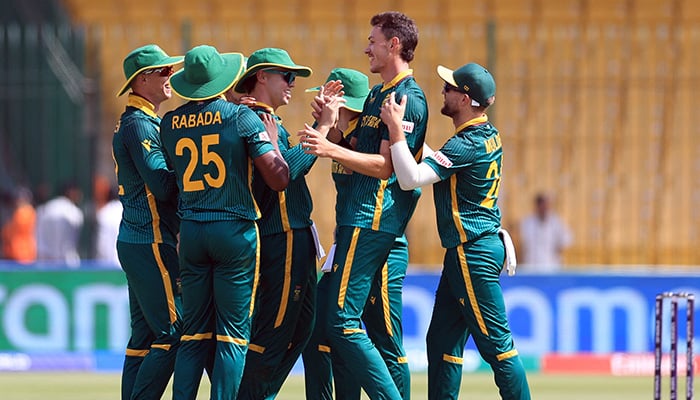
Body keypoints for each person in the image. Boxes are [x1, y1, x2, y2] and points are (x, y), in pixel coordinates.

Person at [380, 62, 531, 399]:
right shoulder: (485, 135)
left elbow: (410, 179)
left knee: (498, 348)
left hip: (472, 252)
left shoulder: (467, 144)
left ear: (465, 99)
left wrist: (395, 133)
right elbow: (442, 164)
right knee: (442, 341)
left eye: (449, 88)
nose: (443, 91)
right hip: (470, 248)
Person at [299, 11, 428, 399]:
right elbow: (359, 150)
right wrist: (331, 125)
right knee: (330, 324)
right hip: (357, 221)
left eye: (372, 40)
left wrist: (327, 146)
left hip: (373, 219)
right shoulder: (377, 94)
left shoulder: (409, 98)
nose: (365, 47)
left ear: (394, 45)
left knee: (344, 321)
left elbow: (386, 167)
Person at [161, 44, 290, 400]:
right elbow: (278, 178)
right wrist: (275, 144)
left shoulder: (170, 122)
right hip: (234, 231)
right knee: (233, 335)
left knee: (193, 335)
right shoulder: (240, 117)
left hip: (191, 233)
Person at [232, 47, 336, 400]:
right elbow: (285, 174)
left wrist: (321, 133)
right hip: (282, 234)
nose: (292, 84)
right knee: (274, 332)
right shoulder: (255, 119)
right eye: (287, 76)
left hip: (296, 234)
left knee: (300, 331)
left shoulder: (267, 119)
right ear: (261, 76)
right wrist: (321, 130)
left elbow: (288, 166)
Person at [112, 43, 184, 400]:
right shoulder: (139, 124)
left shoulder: (140, 121)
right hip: (150, 237)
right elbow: (162, 184)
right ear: (142, 80)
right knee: (174, 331)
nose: (171, 76)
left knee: (144, 337)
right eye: (164, 72)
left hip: (138, 239)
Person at [519, 192, 573, 272]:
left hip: (551, 266)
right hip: (531, 266)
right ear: (537, 206)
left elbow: (567, 239)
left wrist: (558, 248)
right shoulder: (527, 222)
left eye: (547, 205)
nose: (544, 208)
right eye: (542, 205)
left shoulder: (556, 222)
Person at [35, 181, 84, 267]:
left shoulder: (44, 209)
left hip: (44, 262)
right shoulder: (73, 211)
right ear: (71, 192)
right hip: (67, 263)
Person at [1, 186, 36, 263]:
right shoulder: (29, 211)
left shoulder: (23, 211)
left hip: (19, 252)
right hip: (24, 251)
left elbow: (8, 233)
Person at [95, 186, 122, 266]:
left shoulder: (104, 212)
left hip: (106, 263)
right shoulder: (126, 211)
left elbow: (101, 242)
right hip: (123, 263)